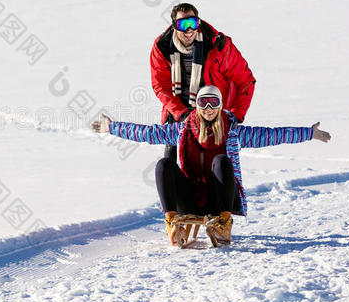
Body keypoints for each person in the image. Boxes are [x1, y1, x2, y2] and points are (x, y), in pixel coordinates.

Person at [91, 85, 331, 246]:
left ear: (220, 105)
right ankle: (174, 222)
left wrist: (309, 133)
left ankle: (223, 224)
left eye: (213, 103)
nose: (208, 109)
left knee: (221, 160)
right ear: (196, 105)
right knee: (164, 164)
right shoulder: (182, 129)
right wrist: (111, 127)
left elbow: (271, 135)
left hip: (220, 199)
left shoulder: (233, 131)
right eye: (203, 103)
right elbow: (147, 133)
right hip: (190, 198)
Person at [150, 3, 256, 162]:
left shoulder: (218, 45)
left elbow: (245, 80)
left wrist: (235, 115)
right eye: (182, 24)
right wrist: (181, 113)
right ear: (174, 26)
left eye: (192, 23)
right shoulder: (162, 47)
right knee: (169, 162)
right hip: (178, 113)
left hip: (212, 112)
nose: (188, 30)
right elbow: (161, 86)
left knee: (218, 162)